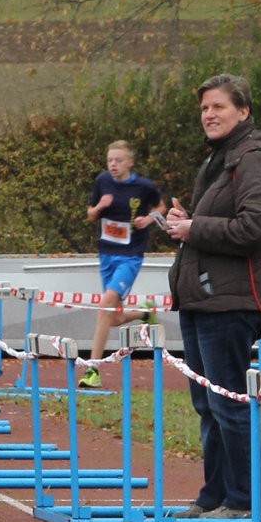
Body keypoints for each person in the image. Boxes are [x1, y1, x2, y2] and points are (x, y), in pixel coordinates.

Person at [162, 74, 261, 516]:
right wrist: (188, 220)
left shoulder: (254, 159)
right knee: (208, 405)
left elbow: (255, 227)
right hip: (200, 299)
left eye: (218, 107)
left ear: (243, 111)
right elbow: (221, 222)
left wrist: (194, 227)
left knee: (228, 403)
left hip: (230, 304)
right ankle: (213, 496)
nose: (208, 115)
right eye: (204, 108)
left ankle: (246, 502)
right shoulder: (219, 159)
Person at [79, 139, 162, 385]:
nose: (113, 165)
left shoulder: (143, 186)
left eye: (118, 160)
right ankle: (144, 312)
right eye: (110, 161)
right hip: (106, 254)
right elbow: (90, 215)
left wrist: (149, 219)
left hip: (130, 256)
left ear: (130, 163)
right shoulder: (102, 181)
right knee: (112, 318)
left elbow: (160, 207)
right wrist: (100, 207)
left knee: (105, 304)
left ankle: (92, 370)